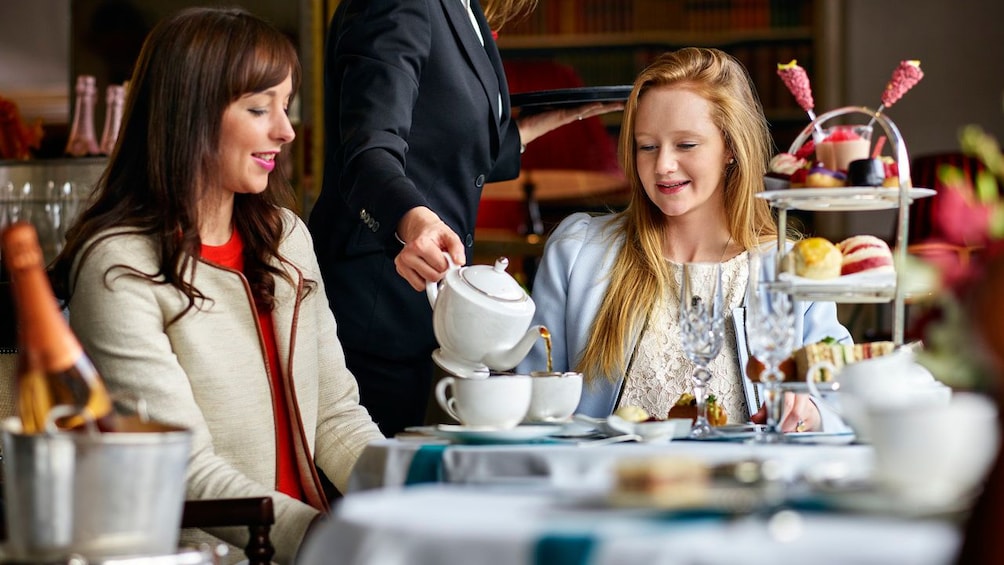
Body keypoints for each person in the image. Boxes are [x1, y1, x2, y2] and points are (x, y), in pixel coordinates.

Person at [50, 8, 384, 564]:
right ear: (192, 116)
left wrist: (422, 492)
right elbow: (184, 469)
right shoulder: (118, 267)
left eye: (285, 105)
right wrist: (333, 540)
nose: (286, 130)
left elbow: (336, 417)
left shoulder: (286, 239)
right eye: (260, 109)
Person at [308, 0, 622, 436]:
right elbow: (369, 152)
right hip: (375, 307)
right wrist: (411, 221)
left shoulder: (464, 10)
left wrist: (534, 128)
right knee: (370, 483)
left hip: (426, 308)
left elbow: (441, 149)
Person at [516, 47, 852, 432]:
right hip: (605, 487)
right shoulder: (577, 252)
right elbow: (531, 405)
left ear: (730, 147)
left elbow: (846, 402)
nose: (662, 166)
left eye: (686, 145)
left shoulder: (791, 267)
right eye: (647, 146)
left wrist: (812, 412)